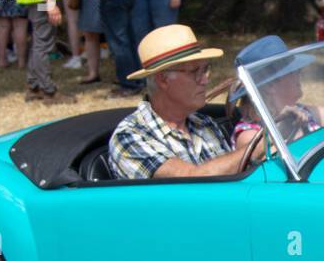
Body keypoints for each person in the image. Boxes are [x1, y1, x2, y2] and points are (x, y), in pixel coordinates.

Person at [108, 25, 263, 179]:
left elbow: (232, 178)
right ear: (163, 79)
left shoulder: (205, 123)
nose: (205, 79)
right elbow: (190, 180)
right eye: (195, 72)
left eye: (205, 69)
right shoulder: (130, 136)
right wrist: (257, 147)